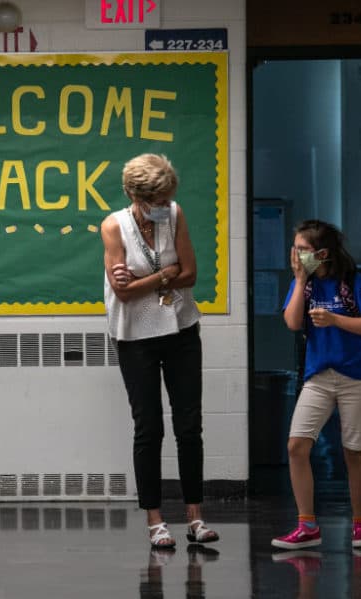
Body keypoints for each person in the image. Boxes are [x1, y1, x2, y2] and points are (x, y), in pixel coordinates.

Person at [102, 153, 219, 549]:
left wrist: (147, 279)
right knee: (148, 426)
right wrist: (164, 275)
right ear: (135, 195)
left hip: (181, 327)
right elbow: (121, 291)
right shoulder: (113, 226)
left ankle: (195, 517)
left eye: (167, 198)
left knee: (190, 425)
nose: (163, 206)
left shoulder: (174, 213)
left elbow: (190, 273)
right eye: (156, 200)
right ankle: (154, 520)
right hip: (134, 336)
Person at [273, 219, 361, 551]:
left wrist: (335, 319)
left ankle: (360, 525)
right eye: (295, 248)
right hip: (318, 376)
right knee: (296, 446)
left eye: (302, 250)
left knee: (354, 452)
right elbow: (292, 322)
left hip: (356, 377)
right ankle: (307, 525)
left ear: (322, 252)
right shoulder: (303, 285)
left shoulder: (355, 282)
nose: (296, 254)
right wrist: (299, 278)